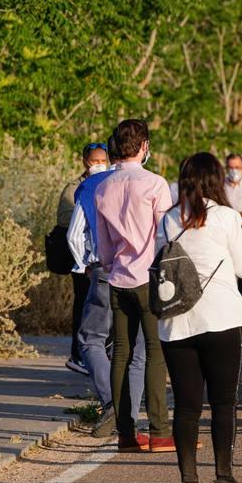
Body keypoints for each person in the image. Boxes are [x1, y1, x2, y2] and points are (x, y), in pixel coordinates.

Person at [157, 153, 242, 483]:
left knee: (186, 405)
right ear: (217, 178)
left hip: (176, 320)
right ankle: (224, 477)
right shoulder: (228, 218)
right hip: (220, 318)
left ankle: (188, 482)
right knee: (223, 401)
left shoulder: (170, 219)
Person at [94, 118, 174, 453]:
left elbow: (104, 241)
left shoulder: (103, 187)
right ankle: (159, 430)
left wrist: (113, 265)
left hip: (118, 277)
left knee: (121, 354)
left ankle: (126, 432)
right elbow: (165, 234)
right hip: (148, 276)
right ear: (143, 146)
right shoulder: (155, 183)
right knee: (155, 351)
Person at [67, 148, 146, 442]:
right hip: (141, 273)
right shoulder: (149, 183)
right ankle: (130, 418)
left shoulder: (91, 187)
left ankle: (112, 402)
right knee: (136, 349)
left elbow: (75, 234)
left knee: (90, 340)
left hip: (104, 269)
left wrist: (85, 264)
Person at [58, 143, 110, 373]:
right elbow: (66, 221)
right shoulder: (76, 188)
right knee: (83, 306)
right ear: (85, 162)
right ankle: (79, 354)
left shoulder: (111, 182)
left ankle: (97, 354)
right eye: (95, 161)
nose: (99, 165)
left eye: (103, 161)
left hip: (100, 257)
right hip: (85, 259)